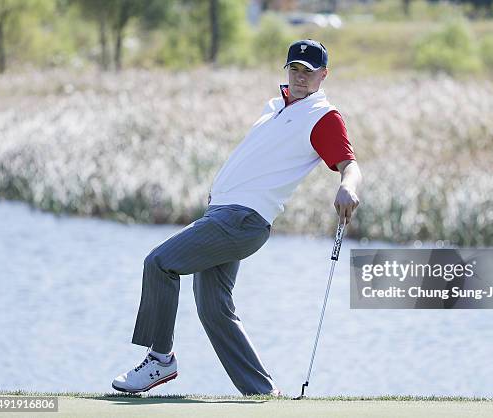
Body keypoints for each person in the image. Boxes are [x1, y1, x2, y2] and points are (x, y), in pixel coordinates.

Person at [111, 39, 362, 396]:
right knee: (214, 309)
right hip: (223, 216)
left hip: (242, 220)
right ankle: (262, 392)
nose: (300, 78)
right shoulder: (275, 106)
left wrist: (348, 187)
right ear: (287, 71)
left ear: (324, 75)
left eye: (309, 72)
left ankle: (160, 360)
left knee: (159, 263)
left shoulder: (324, 116)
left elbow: (350, 166)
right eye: (294, 69)